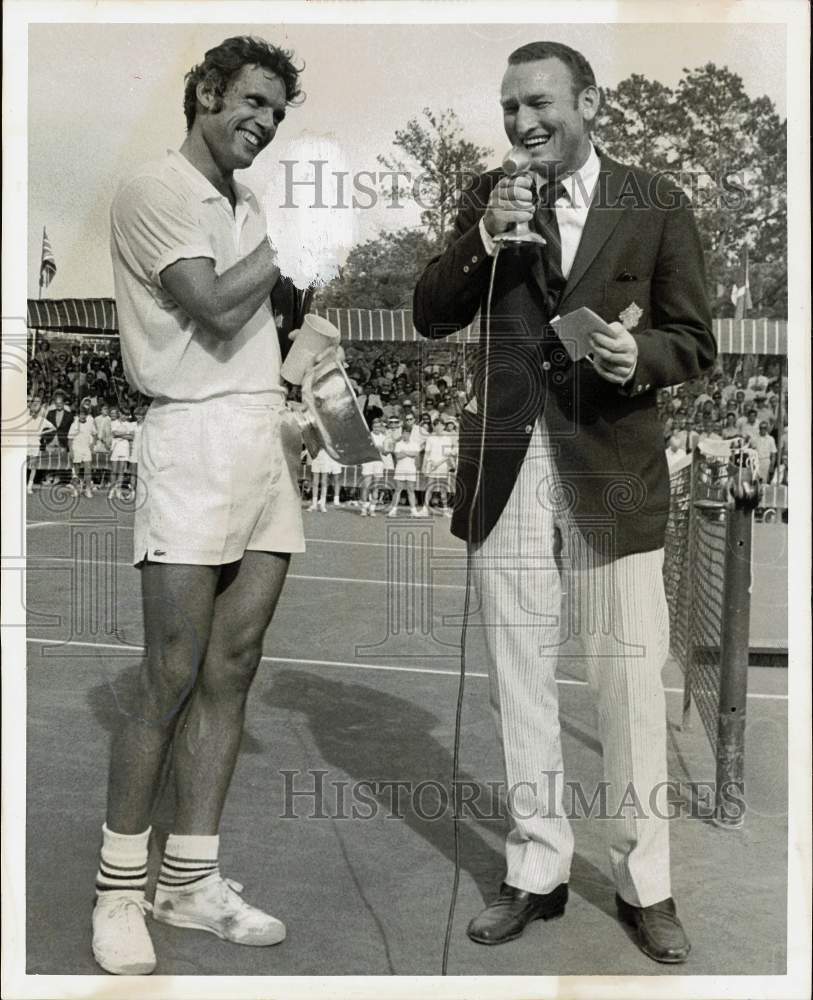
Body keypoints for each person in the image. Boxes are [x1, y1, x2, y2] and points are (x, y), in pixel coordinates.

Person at [413, 40, 715, 964]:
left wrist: (640, 359)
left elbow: (694, 341)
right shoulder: (490, 198)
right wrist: (483, 238)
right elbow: (431, 311)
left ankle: (643, 883)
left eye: (538, 104)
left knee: (626, 678)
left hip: (612, 465)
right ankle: (536, 867)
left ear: (588, 101)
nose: (521, 123)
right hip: (508, 463)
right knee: (517, 676)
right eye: (508, 108)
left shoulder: (655, 202)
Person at [96, 35, 314, 977]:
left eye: (275, 112)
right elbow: (216, 306)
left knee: (233, 667)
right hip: (189, 437)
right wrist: (286, 255)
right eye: (252, 103)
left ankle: (188, 883)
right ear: (206, 94)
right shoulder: (154, 188)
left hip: (263, 435)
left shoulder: (247, 200)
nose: (262, 124)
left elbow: (257, 323)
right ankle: (116, 892)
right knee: (170, 675)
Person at [387, 424, 426, 517]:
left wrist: (404, 452)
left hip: (411, 469)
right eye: (403, 433)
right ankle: (393, 510)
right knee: (398, 489)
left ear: (410, 434)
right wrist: (410, 453)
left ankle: (413, 511)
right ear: (402, 434)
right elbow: (398, 456)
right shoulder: (398, 444)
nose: (405, 435)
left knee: (410, 490)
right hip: (400, 469)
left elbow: (416, 455)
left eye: (407, 433)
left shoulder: (415, 444)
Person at [22, 396, 55, 493]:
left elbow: (53, 428)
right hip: (24, 444)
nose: (34, 410)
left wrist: (42, 433)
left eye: (37, 409)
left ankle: (29, 487)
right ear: (31, 408)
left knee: (33, 466)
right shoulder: (25, 418)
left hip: (35, 444)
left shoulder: (42, 420)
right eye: (33, 408)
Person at [68, 406, 97, 498]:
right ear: (78, 415)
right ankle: (76, 490)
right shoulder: (74, 425)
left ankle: (87, 490)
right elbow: (70, 439)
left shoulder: (90, 424)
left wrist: (92, 446)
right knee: (76, 471)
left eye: (84, 414)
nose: (82, 416)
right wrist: (71, 451)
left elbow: (95, 435)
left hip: (86, 449)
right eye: (81, 414)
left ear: (86, 415)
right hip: (76, 449)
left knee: (88, 470)